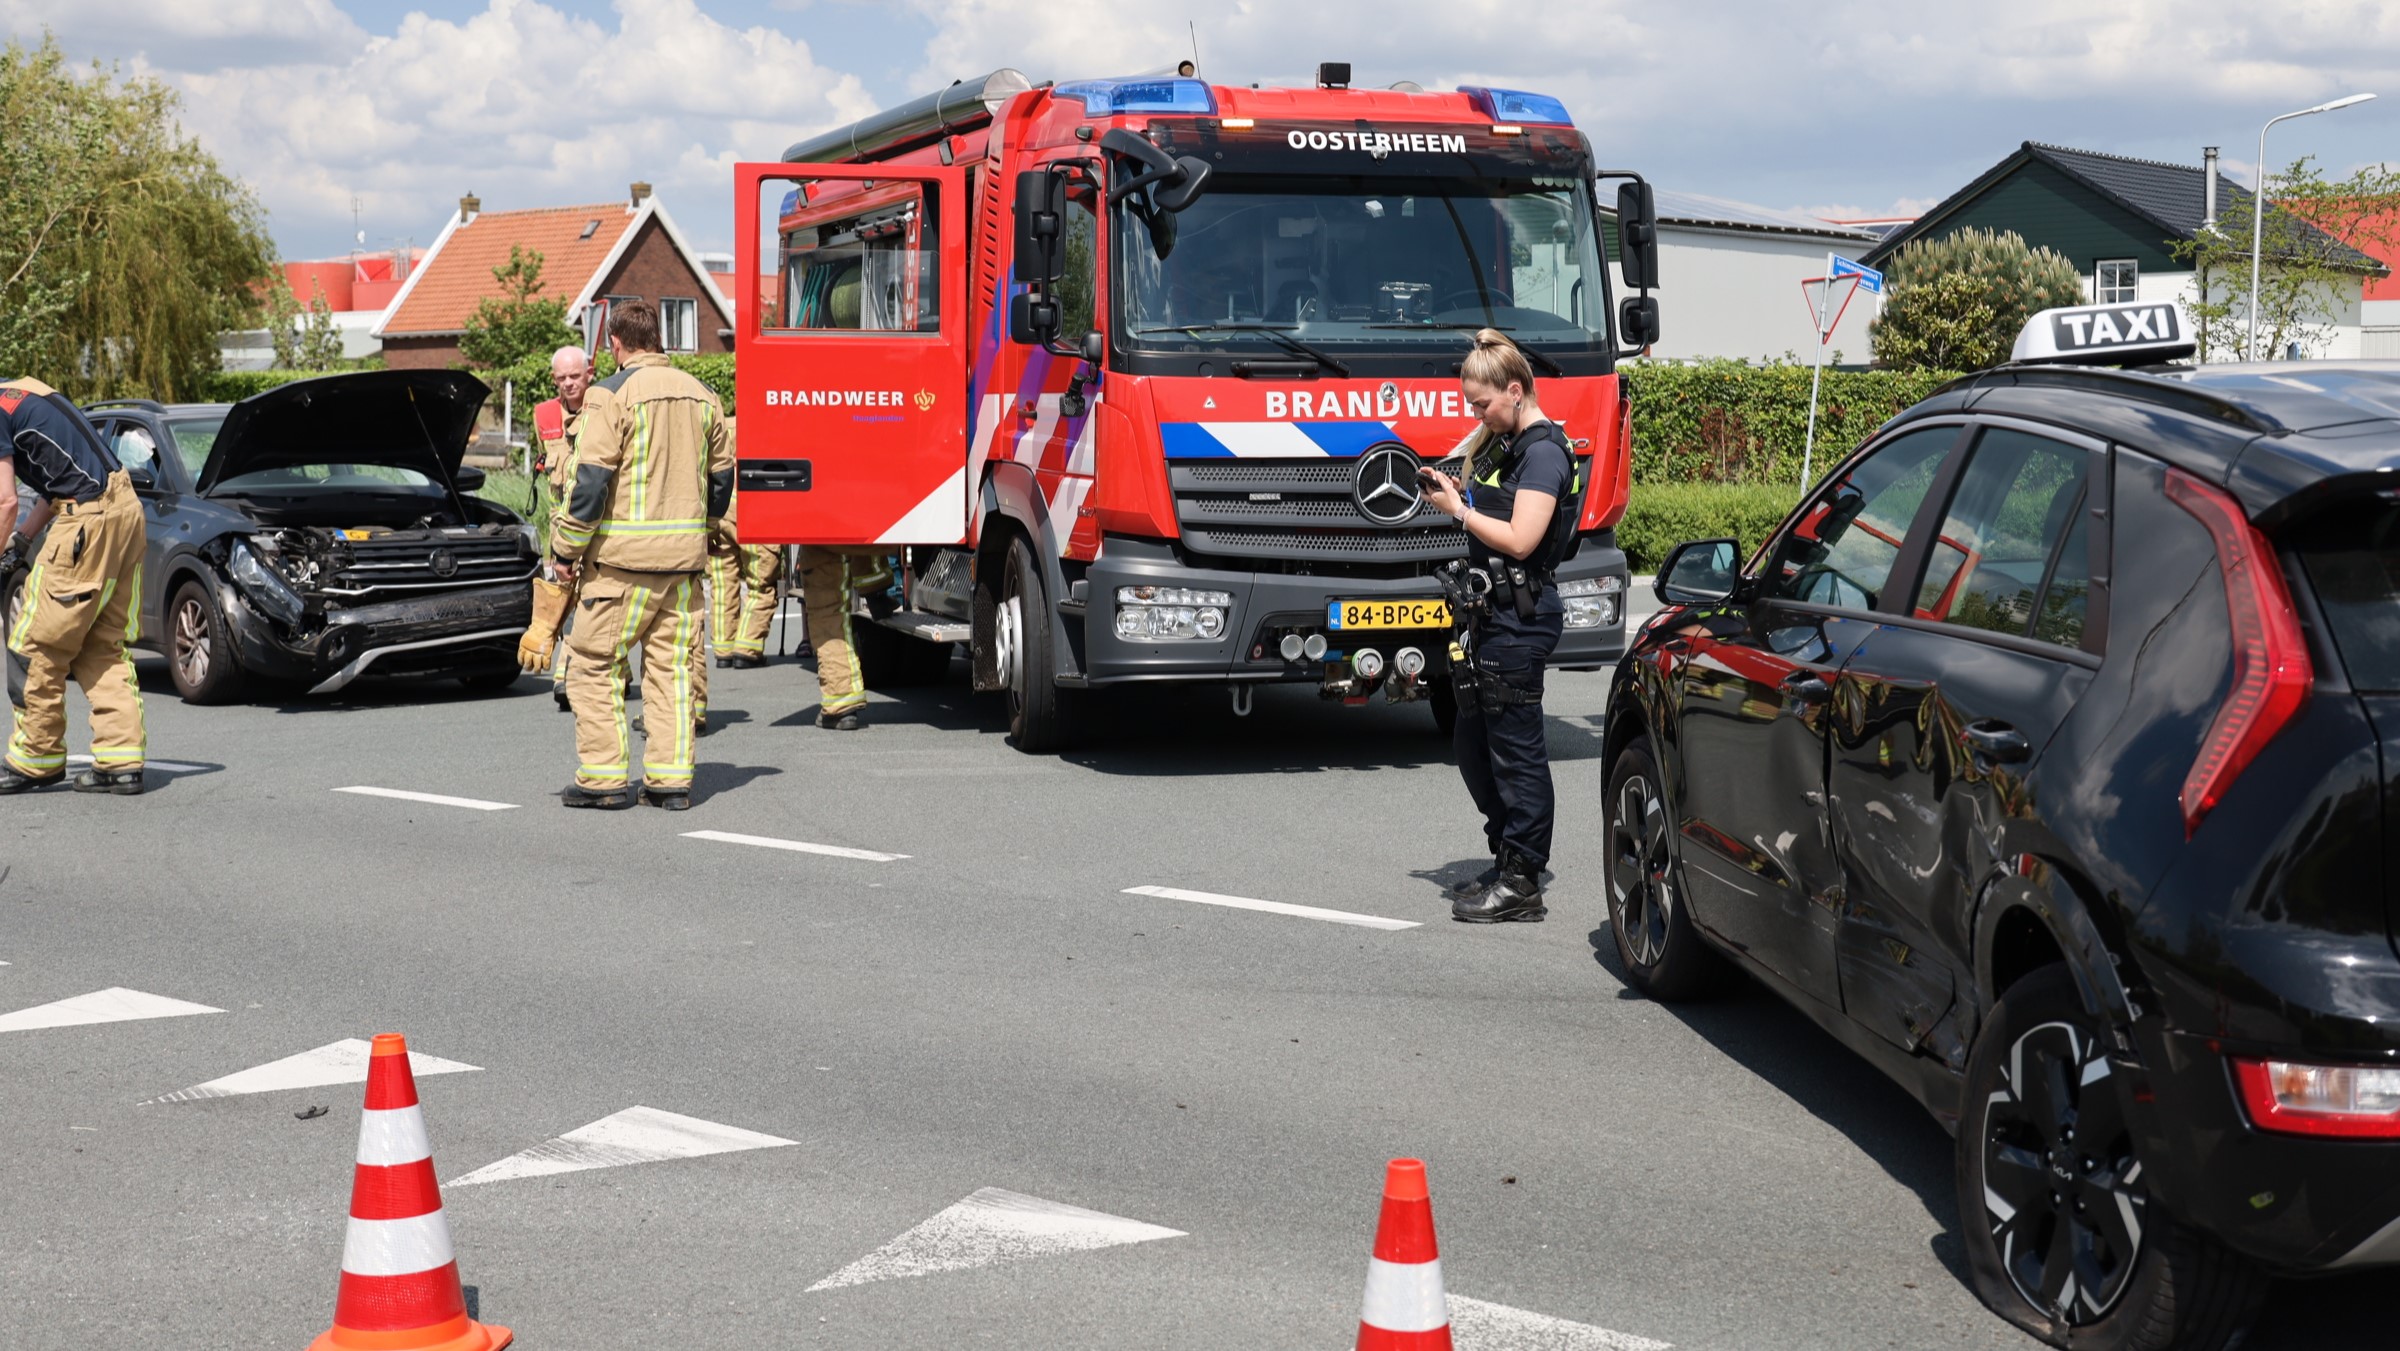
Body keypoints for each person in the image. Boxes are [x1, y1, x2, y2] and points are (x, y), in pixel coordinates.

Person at [1416, 331, 1579, 922]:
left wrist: (1460, 512)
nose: (1475, 414)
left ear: (1515, 390)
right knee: (1473, 742)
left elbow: (1521, 538)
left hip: (1522, 617)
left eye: (1482, 404)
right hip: (1492, 615)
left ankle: (1523, 880)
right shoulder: (1509, 444)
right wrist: (1460, 490)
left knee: (1517, 752)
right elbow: (1500, 507)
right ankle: (1507, 853)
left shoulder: (1543, 453)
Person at [549, 301, 734, 811]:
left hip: (621, 568)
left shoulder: (609, 395)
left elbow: (590, 484)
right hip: (683, 569)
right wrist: (708, 531)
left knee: (591, 666)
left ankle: (605, 780)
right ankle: (670, 782)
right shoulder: (705, 396)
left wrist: (566, 551)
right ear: (661, 339)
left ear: (616, 344)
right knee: (672, 672)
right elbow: (722, 481)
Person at [0, 377, 148, 795]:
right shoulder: (25, 394)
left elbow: (6, 500)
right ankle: (121, 761)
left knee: (33, 643)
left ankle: (36, 757)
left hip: (87, 523)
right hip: (126, 514)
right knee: (102, 643)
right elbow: (55, 486)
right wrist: (24, 540)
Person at [534, 345, 593, 712]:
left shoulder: (605, 408)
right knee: (567, 603)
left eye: (575, 376)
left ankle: (589, 676)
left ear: (589, 372)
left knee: (597, 604)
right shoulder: (545, 415)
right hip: (563, 531)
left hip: (600, 526)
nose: (569, 384)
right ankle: (566, 678)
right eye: (562, 378)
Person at [706, 419, 782, 670]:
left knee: (722, 582)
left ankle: (724, 649)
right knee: (761, 583)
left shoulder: (722, 424)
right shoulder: (769, 425)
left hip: (721, 512)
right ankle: (747, 648)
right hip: (757, 514)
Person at [795, 545, 889, 730]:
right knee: (863, 536)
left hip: (819, 544)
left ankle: (841, 706)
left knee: (828, 617)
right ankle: (876, 591)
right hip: (860, 541)